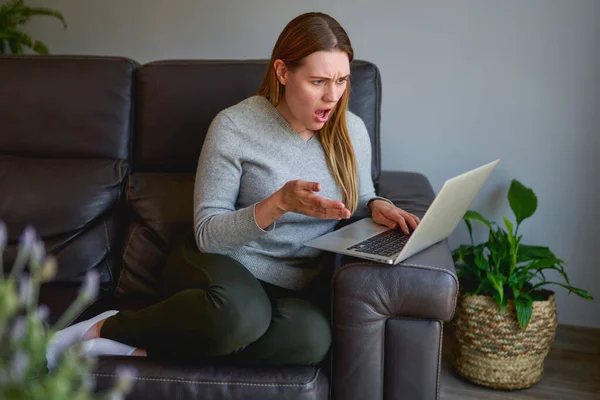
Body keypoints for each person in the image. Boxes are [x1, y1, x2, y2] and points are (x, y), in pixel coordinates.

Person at [46, 11, 420, 370]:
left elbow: (362, 195)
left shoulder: (351, 130)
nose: (332, 96)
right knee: (240, 317)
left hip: (295, 281)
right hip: (220, 263)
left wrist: (377, 206)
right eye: (318, 81)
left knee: (310, 340)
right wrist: (278, 204)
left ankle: (133, 349)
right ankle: (107, 325)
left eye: (342, 80)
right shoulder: (234, 126)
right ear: (283, 72)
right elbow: (208, 234)